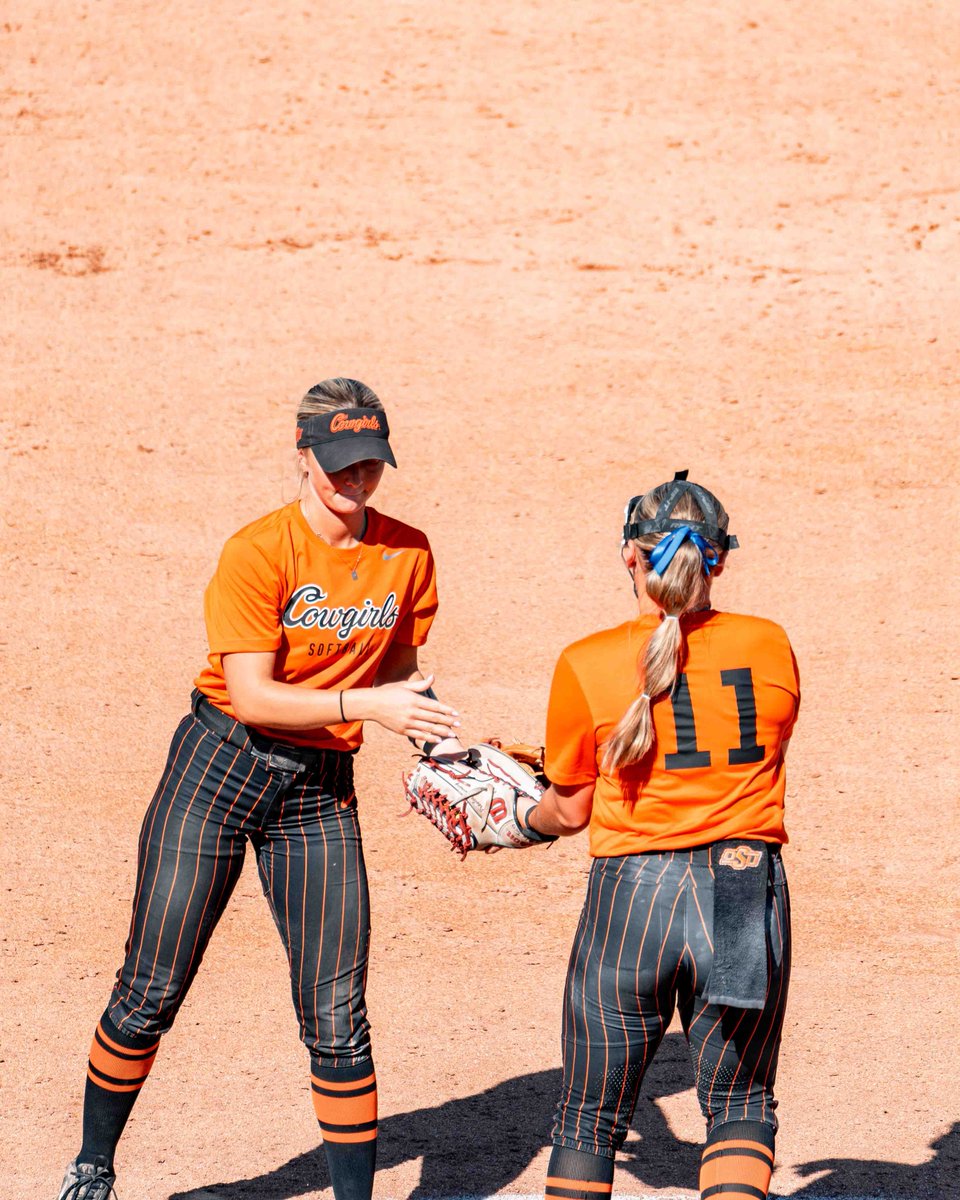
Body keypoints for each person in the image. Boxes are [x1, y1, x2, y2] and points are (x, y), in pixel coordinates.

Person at [56, 378, 463, 1200]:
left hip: (319, 791)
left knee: (340, 1018)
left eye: (371, 467)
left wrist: (441, 740)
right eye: (341, 465)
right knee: (150, 991)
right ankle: (93, 1166)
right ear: (303, 456)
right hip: (217, 770)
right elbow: (253, 695)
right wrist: (369, 707)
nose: (356, 482)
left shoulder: (407, 551)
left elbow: (400, 672)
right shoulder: (258, 551)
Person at [526, 471, 800, 1200]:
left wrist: (520, 821)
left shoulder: (586, 662)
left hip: (630, 904)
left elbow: (570, 808)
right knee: (740, 1111)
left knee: (587, 1122)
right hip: (742, 892)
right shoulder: (770, 646)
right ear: (719, 559)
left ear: (631, 556)